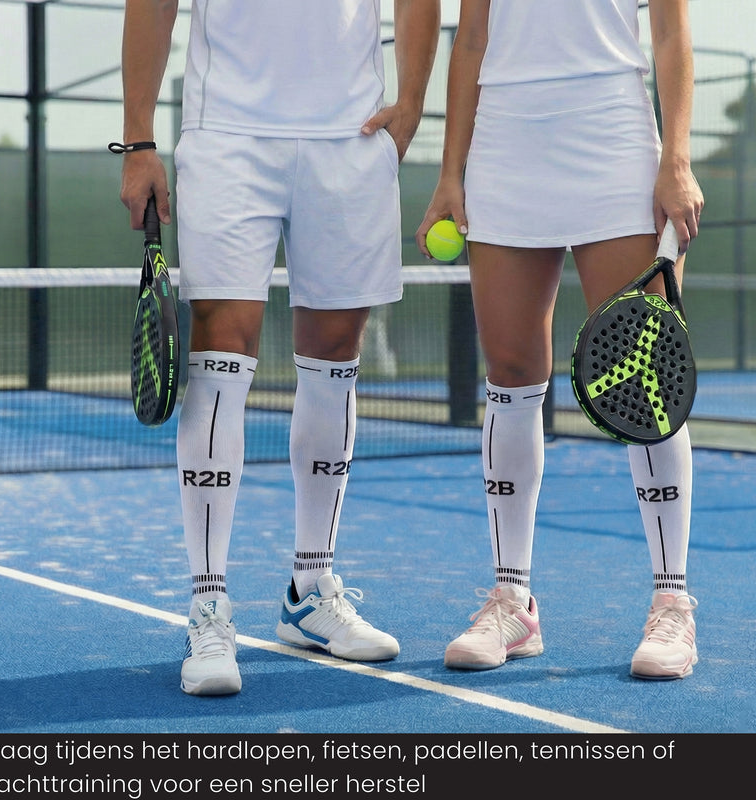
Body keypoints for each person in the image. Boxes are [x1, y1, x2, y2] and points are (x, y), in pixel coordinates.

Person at [115, 0, 440, 695]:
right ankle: (208, 604)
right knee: (220, 352)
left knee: (334, 355)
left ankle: (310, 592)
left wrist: (411, 102)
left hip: (351, 138)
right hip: (228, 134)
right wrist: (138, 138)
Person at [416, 0, 703, 680]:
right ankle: (512, 602)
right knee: (510, 372)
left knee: (646, 377)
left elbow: (670, 31)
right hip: (505, 145)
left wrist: (677, 158)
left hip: (613, 135)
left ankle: (673, 604)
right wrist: (451, 172)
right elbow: (472, 38)